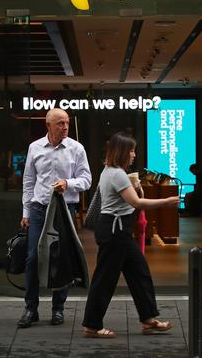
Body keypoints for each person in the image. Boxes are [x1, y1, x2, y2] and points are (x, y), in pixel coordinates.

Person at [82, 132, 178, 338]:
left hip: (118, 230)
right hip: (115, 231)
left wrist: (137, 187)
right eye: (132, 151)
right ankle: (92, 325)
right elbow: (137, 203)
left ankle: (149, 318)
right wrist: (167, 202)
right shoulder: (116, 174)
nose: (134, 155)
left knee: (139, 272)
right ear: (122, 152)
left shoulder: (111, 172)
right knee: (105, 279)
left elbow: (134, 198)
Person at [18, 108, 92, 328]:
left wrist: (68, 183)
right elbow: (28, 182)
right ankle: (31, 308)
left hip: (64, 210)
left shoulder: (76, 148)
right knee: (32, 259)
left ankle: (58, 309)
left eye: (67, 123)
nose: (65, 127)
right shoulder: (35, 147)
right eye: (60, 123)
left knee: (61, 259)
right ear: (48, 125)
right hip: (39, 210)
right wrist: (25, 212)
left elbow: (87, 180)